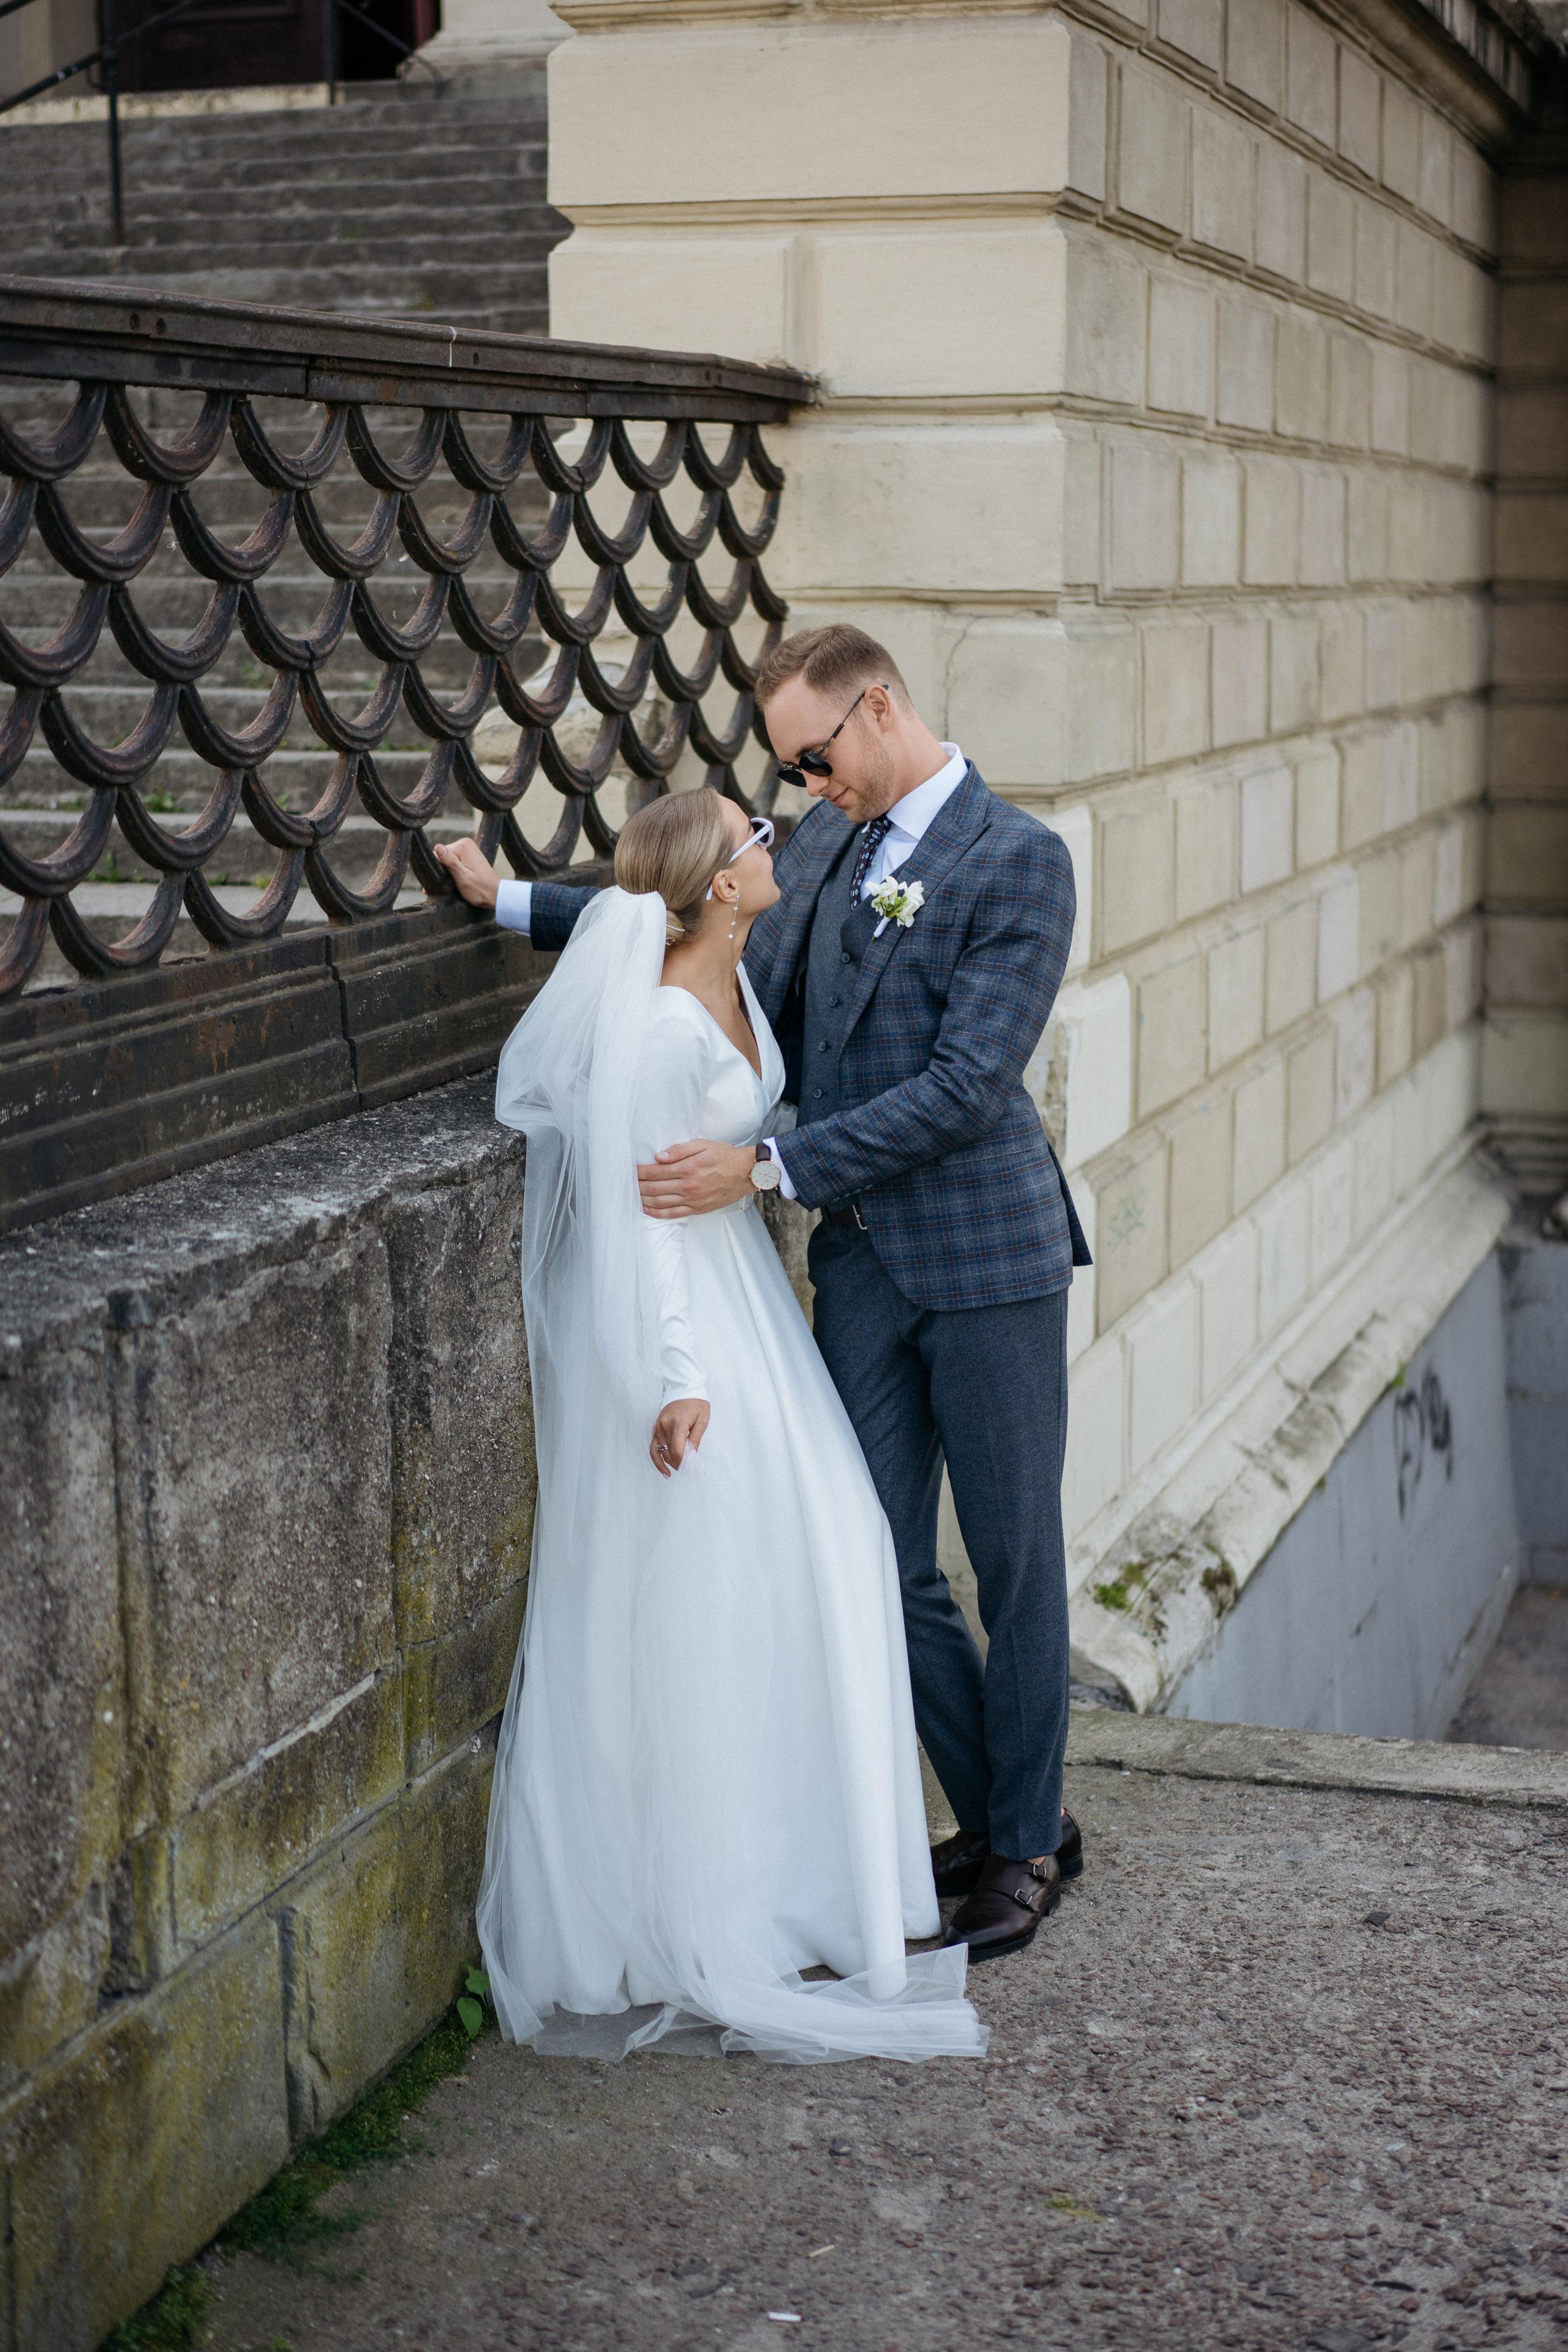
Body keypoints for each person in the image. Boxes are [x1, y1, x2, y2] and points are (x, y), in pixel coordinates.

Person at [438, 621, 1090, 1966]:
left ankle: (1023, 1847)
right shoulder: (831, 853)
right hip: (856, 1268)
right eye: (788, 773)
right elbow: (674, 917)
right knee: (883, 1562)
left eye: (812, 757)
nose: (803, 789)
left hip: (985, 1260)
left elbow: (968, 1088)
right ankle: (996, 1812)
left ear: (878, 710)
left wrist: (769, 1162)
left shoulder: (1019, 860)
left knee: (1016, 1565)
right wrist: (508, 901)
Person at [465, 785, 987, 2062]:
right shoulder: (649, 1029)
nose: (773, 843)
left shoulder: (739, 981)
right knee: (715, 1593)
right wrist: (670, 1378)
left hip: (749, 1300)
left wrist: (508, 898)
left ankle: (807, 1883)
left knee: (831, 1562)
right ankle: (706, 1905)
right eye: (754, 837)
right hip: (689, 1327)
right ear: (712, 883)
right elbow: (636, 1218)